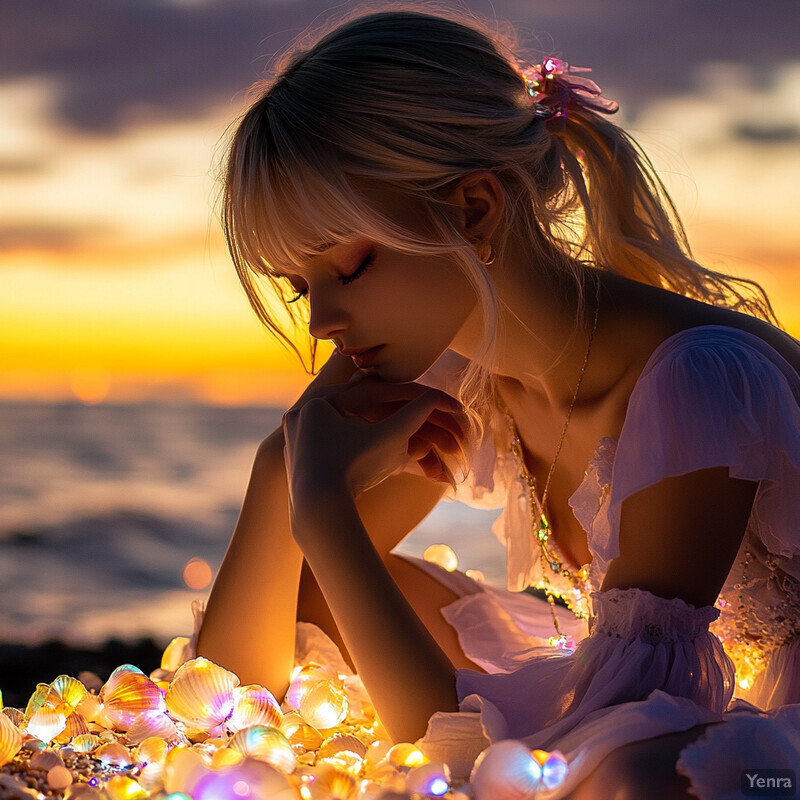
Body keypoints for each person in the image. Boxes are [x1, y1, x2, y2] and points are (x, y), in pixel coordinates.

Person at [195, 8, 800, 798]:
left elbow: (567, 744)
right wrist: (283, 464)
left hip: (756, 744)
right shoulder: (459, 370)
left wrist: (324, 511)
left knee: (638, 776)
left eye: (351, 266)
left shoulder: (698, 379)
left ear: (476, 210)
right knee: (313, 595)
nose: (321, 322)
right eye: (301, 286)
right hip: (653, 712)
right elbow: (230, 694)